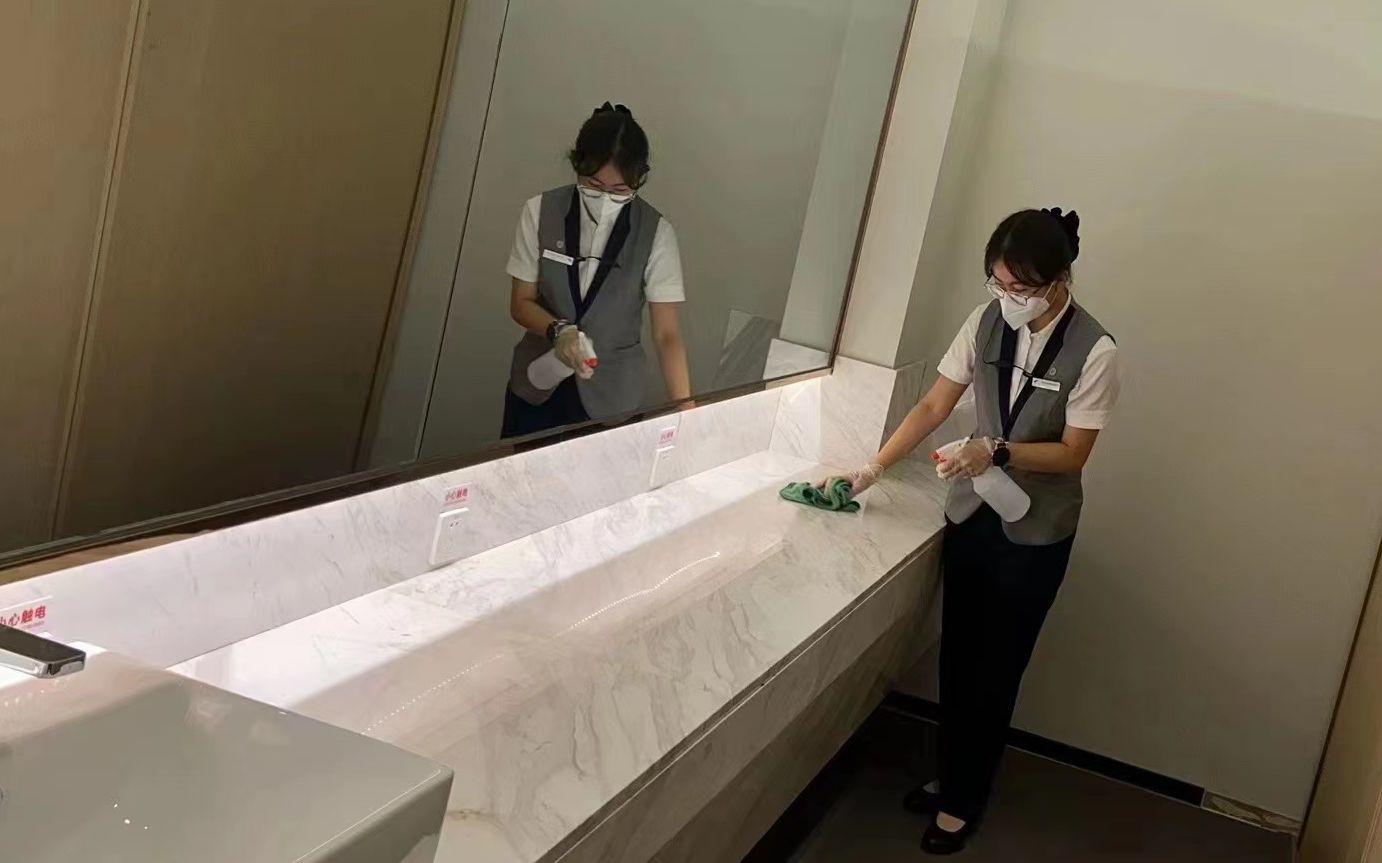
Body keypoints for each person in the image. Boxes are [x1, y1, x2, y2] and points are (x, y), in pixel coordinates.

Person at [837, 207, 1120, 854]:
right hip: (974, 514)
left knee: (998, 669)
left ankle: (964, 800)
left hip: (1037, 532)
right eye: (998, 282)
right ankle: (952, 778)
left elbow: (1074, 453)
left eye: (1021, 287)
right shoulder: (986, 321)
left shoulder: (1096, 351)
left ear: (1058, 281)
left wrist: (996, 449)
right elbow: (934, 403)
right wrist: (874, 467)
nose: (1007, 297)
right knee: (959, 658)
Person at [502, 102, 692, 439]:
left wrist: (686, 408)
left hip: (611, 400)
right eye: (594, 185)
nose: (605, 199)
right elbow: (521, 302)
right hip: (538, 385)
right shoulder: (540, 211)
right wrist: (559, 331)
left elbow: (666, 334)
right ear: (577, 165)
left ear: (638, 180)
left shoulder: (656, 233)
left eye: (620, 191)